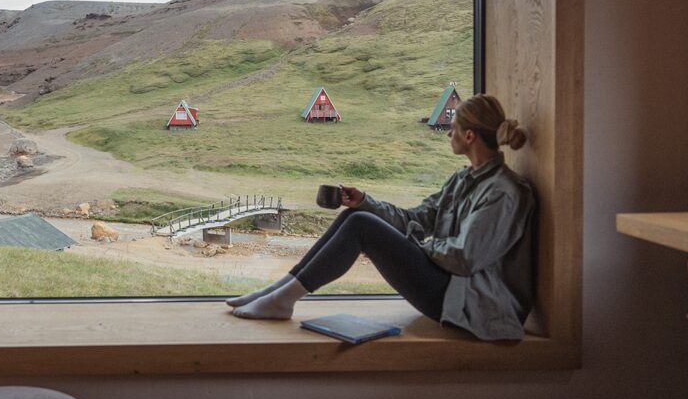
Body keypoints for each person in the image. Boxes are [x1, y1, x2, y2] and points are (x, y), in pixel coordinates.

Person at [228, 93, 536, 341]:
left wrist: (420, 249)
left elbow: (466, 257)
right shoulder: (462, 180)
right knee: (356, 216)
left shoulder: (504, 192)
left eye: (453, 127)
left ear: (469, 136)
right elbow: (413, 217)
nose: (448, 133)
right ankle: (280, 291)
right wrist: (365, 201)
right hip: (450, 287)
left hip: (472, 304)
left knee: (361, 226)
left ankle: (283, 299)